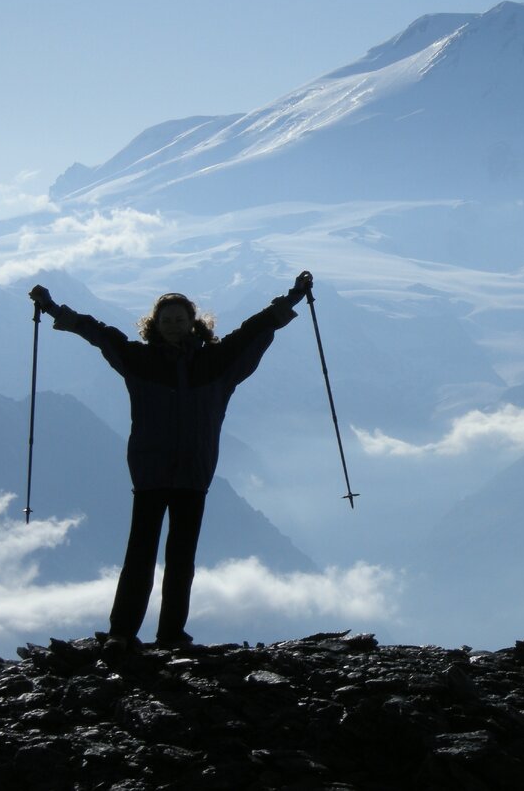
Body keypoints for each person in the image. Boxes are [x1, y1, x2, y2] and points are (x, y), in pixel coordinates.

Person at [29, 272, 313, 653]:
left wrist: (293, 296)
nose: (174, 326)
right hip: (156, 470)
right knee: (144, 553)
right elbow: (96, 331)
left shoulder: (215, 358)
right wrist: (50, 308)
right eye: (167, 321)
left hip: (188, 471)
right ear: (155, 325)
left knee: (178, 557)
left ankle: (163, 635)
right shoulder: (142, 358)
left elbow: (255, 327)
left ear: (193, 322)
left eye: (179, 319)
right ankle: (127, 632)